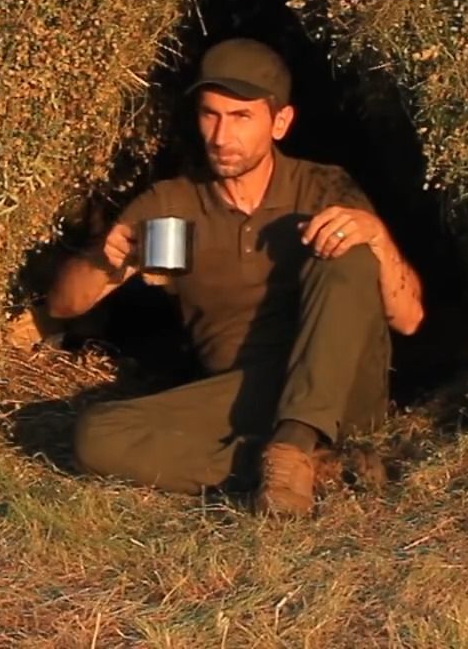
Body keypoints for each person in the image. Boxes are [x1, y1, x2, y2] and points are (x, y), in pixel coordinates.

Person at [47, 38, 425, 516]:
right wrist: (107, 261)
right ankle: (315, 466)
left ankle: (295, 443)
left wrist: (378, 238)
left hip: (344, 388)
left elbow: (409, 320)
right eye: (211, 115)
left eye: (241, 117)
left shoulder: (322, 187)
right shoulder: (173, 204)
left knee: (346, 250)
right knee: (96, 438)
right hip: (243, 392)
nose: (221, 136)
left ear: (280, 122)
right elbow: (62, 306)